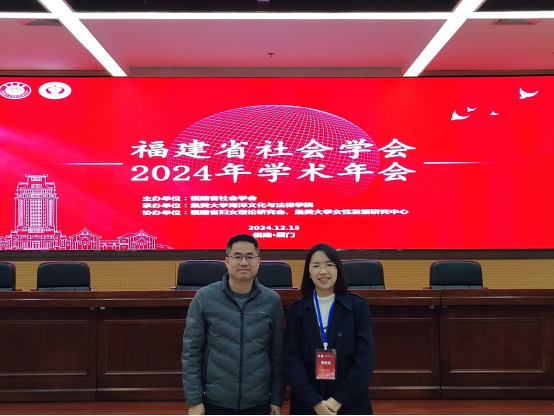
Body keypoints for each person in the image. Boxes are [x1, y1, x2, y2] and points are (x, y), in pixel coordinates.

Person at [182, 234, 285, 415]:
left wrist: (277, 399)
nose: (244, 262)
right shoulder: (205, 298)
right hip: (215, 401)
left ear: (258, 262)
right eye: (237, 256)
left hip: (259, 401)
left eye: (249, 257)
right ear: (227, 261)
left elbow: (278, 354)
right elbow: (192, 352)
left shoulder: (271, 301)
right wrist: (194, 400)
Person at [284, 243, 375, 415]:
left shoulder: (357, 306)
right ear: (308, 272)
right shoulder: (298, 310)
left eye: (329, 265)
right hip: (308, 405)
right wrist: (315, 401)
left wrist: (339, 399)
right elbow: (292, 360)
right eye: (316, 266)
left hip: (350, 403)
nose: (323, 271)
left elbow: (365, 359)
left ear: (338, 269)